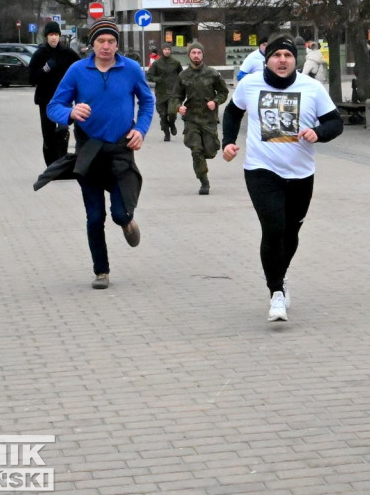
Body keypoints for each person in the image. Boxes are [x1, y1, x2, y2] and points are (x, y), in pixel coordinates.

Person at [221, 34, 343, 322]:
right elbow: (232, 111)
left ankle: (280, 275)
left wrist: (319, 133)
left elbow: (334, 122)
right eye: (277, 55)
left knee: (291, 232)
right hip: (261, 169)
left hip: (301, 172)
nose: (282, 60)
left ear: (295, 60)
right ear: (267, 58)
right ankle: (276, 292)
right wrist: (227, 142)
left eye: (288, 56)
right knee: (273, 228)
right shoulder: (250, 84)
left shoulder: (311, 88)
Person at [34, 18, 155, 290]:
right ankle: (101, 271)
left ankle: (126, 222)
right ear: (92, 44)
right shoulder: (78, 70)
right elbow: (54, 106)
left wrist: (141, 130)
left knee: (120, 213)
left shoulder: (131, 69)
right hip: (89, 152)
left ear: (117, 45)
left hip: (121, 151)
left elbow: (147, 102)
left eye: (111, 41)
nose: (106, 46)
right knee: (94, 217)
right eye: (101, 41)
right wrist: (70, 113)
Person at [173, 40, 229, 195]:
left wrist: (215, 102)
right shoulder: (183, 76)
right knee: (196, 150)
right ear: (189, 55)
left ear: (203, 55)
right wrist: (179, 107)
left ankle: (205, 159)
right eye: (193, 53)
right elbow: (176, 96)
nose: (196, 55)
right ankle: (204, 181)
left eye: (199, 53)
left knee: (210, 150)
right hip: (191, 119)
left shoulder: (212, 73)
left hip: (209, 119)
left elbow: (224, 93)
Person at [30, 21, 81, 164]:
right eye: (51, 35)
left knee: (63, 130)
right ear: (46, 36)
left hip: (64, 99)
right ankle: (51, 164)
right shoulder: (40, 54)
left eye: (56, 35)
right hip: (45, 99)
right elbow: (31, 78)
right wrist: (45, 69)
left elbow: (81, 68)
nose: (54, 38)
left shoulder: (67, 53)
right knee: (48, 133)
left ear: (59, 36)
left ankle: (61, 161)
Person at [146, 44, 183, 142]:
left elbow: (181, 75)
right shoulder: (157, 63)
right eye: (165, 49)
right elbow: (149, 75)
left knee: (172, 112)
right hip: (161, 92)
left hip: (173, 92)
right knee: (162, 115)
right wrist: (157, 79)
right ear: (162, 51)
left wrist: (181, 85)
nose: (167, 51)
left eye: (168, 49)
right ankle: (166, 133)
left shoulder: (176, 62)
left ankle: (172, 123)